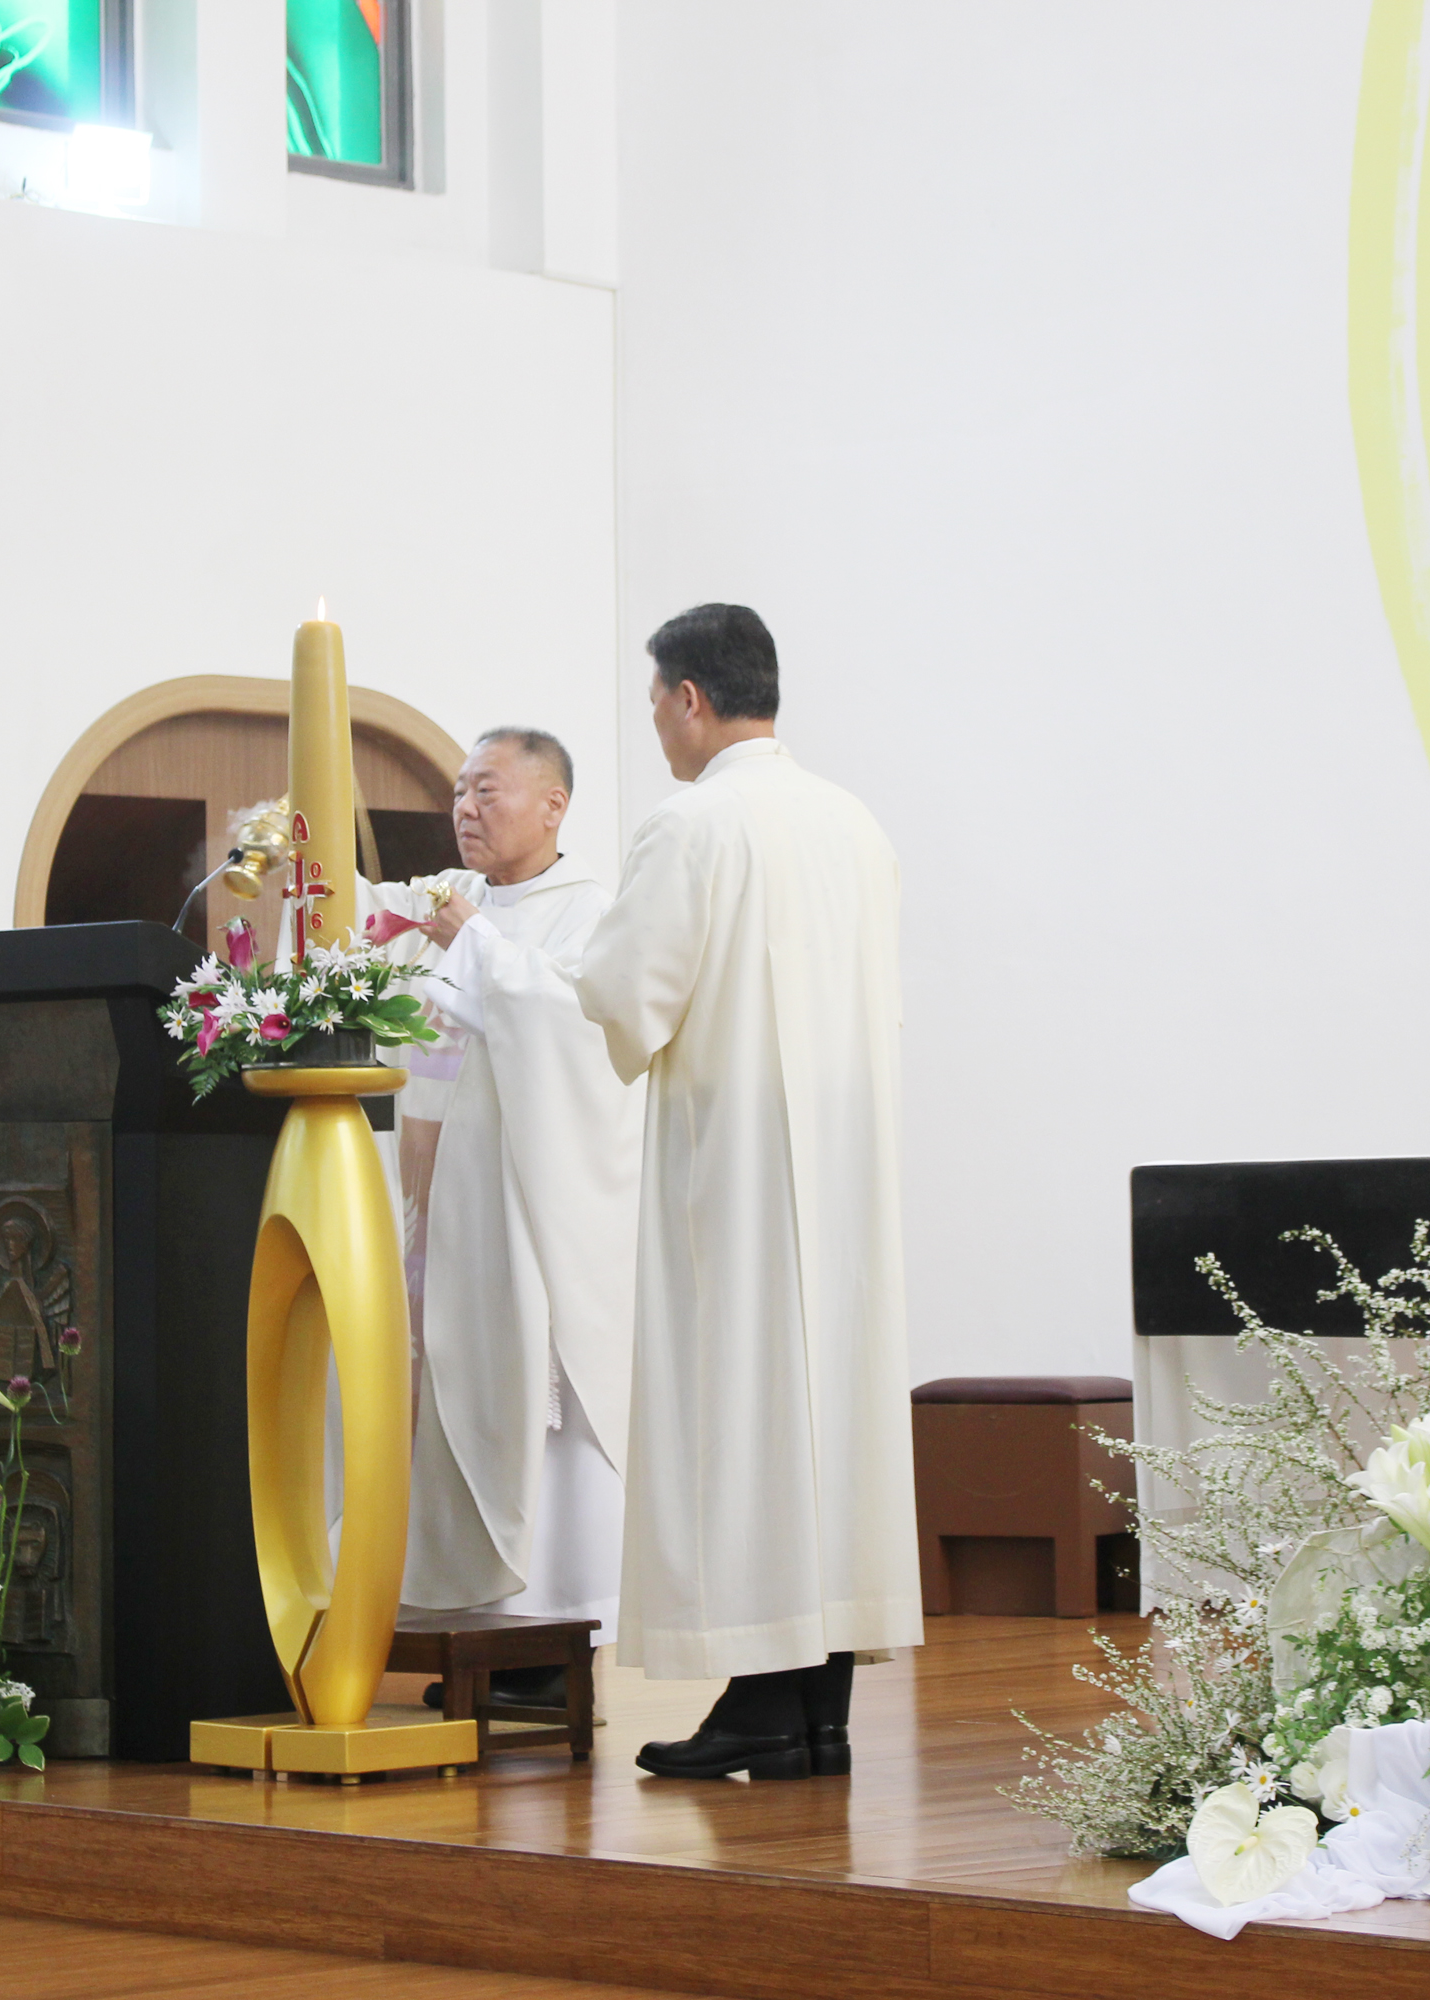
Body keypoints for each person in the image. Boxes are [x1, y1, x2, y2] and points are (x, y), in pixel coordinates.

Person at [574, 603, 923, 1780]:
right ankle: (815, 1710)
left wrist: (566, 966)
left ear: (689, 698)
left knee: (744, 1414)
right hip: (845, 1164)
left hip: (737, 1166)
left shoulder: (692, 822)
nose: (656, 726)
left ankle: (768, 1701)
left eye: (654, 703)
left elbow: (629, 989)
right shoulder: (854, 821)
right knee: (828, 1418)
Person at [360, 731, 642, 1710]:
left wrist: (470, 942)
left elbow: (582, 1032)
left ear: (554, 803)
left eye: (488, 789)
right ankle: (475, 1636)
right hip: (438, 1200)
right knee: (452, 1400)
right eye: (459, 793)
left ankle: (555, 1640)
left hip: (531, 1217)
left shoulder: (593, 910)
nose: (466, 809)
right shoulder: (451, 898)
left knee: (534, 1413)